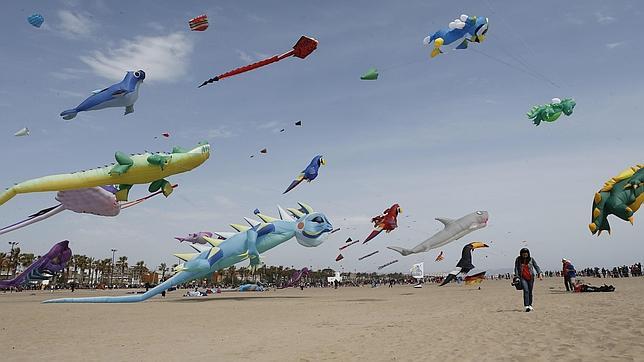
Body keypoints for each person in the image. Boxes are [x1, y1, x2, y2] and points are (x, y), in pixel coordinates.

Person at [514, 248, 542, 312]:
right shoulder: (518, 259)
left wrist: (539, 273)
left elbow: (536, 266)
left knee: (530, 291)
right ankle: (526, 306)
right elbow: (516, 268)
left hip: (531, 277)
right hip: (523, 277)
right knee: (526, 290)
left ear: (528, 253)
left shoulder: (531, 259)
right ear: (521, 254)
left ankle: (530, 305)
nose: (525, 254)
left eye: (526, 253)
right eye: (523, 253)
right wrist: (517, 276)